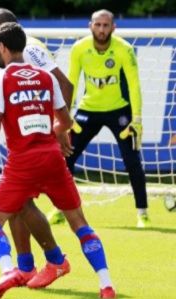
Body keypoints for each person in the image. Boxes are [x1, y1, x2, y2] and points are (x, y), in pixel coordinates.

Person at [0, 22, 116, 299]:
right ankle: (106, 284)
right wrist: (46, 131)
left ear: (1, 48)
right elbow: (66, 121)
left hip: (22, 163)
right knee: (79, 223)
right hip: (52, 158)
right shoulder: (45, 77)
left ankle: (8, 270)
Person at [0, 8, 74, 288]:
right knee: (19, 204)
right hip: (28, 141)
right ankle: (27, 267)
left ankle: (54, 261)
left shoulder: (30, 50)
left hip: (37, 143)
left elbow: (63, 85)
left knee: (19, 204)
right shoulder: (22, 50)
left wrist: (59, 130)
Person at [51, 9, 148, 228]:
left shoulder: (125, 49)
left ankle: (142, 213)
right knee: (65, 157)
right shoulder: (79, 48)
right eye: (98, 25)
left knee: (132, 161)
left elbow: (134, 85)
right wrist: (65, 119)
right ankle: (60, 209)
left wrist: (137, 118)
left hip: (119, 111)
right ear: (90, 26)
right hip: (88, 110)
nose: (101, 29)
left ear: (114, 28)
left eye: (106, 25)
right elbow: (71, 84)